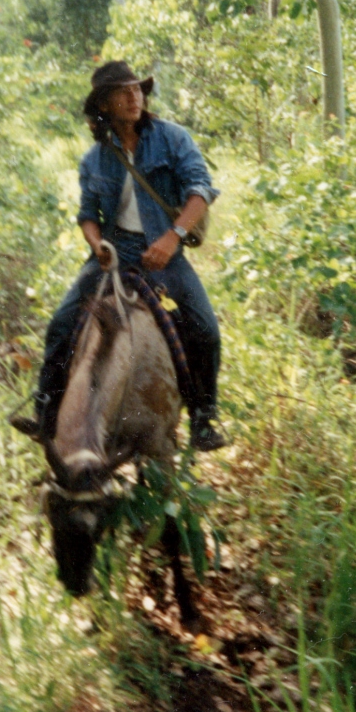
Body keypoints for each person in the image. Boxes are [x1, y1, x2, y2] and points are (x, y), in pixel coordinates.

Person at [34, 61, 227, 451]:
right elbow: (89, 216)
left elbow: (201, 191)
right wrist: (97, 246)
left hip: (165, 252)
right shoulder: (94, 159)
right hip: (115, 251)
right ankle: (46, 414)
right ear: (103, 104)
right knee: (61, 324)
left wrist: (172, 238)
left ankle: (203, 418)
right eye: (123, 92)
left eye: (137, 89)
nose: (134, 96)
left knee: (206, 329)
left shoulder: (173, 138)